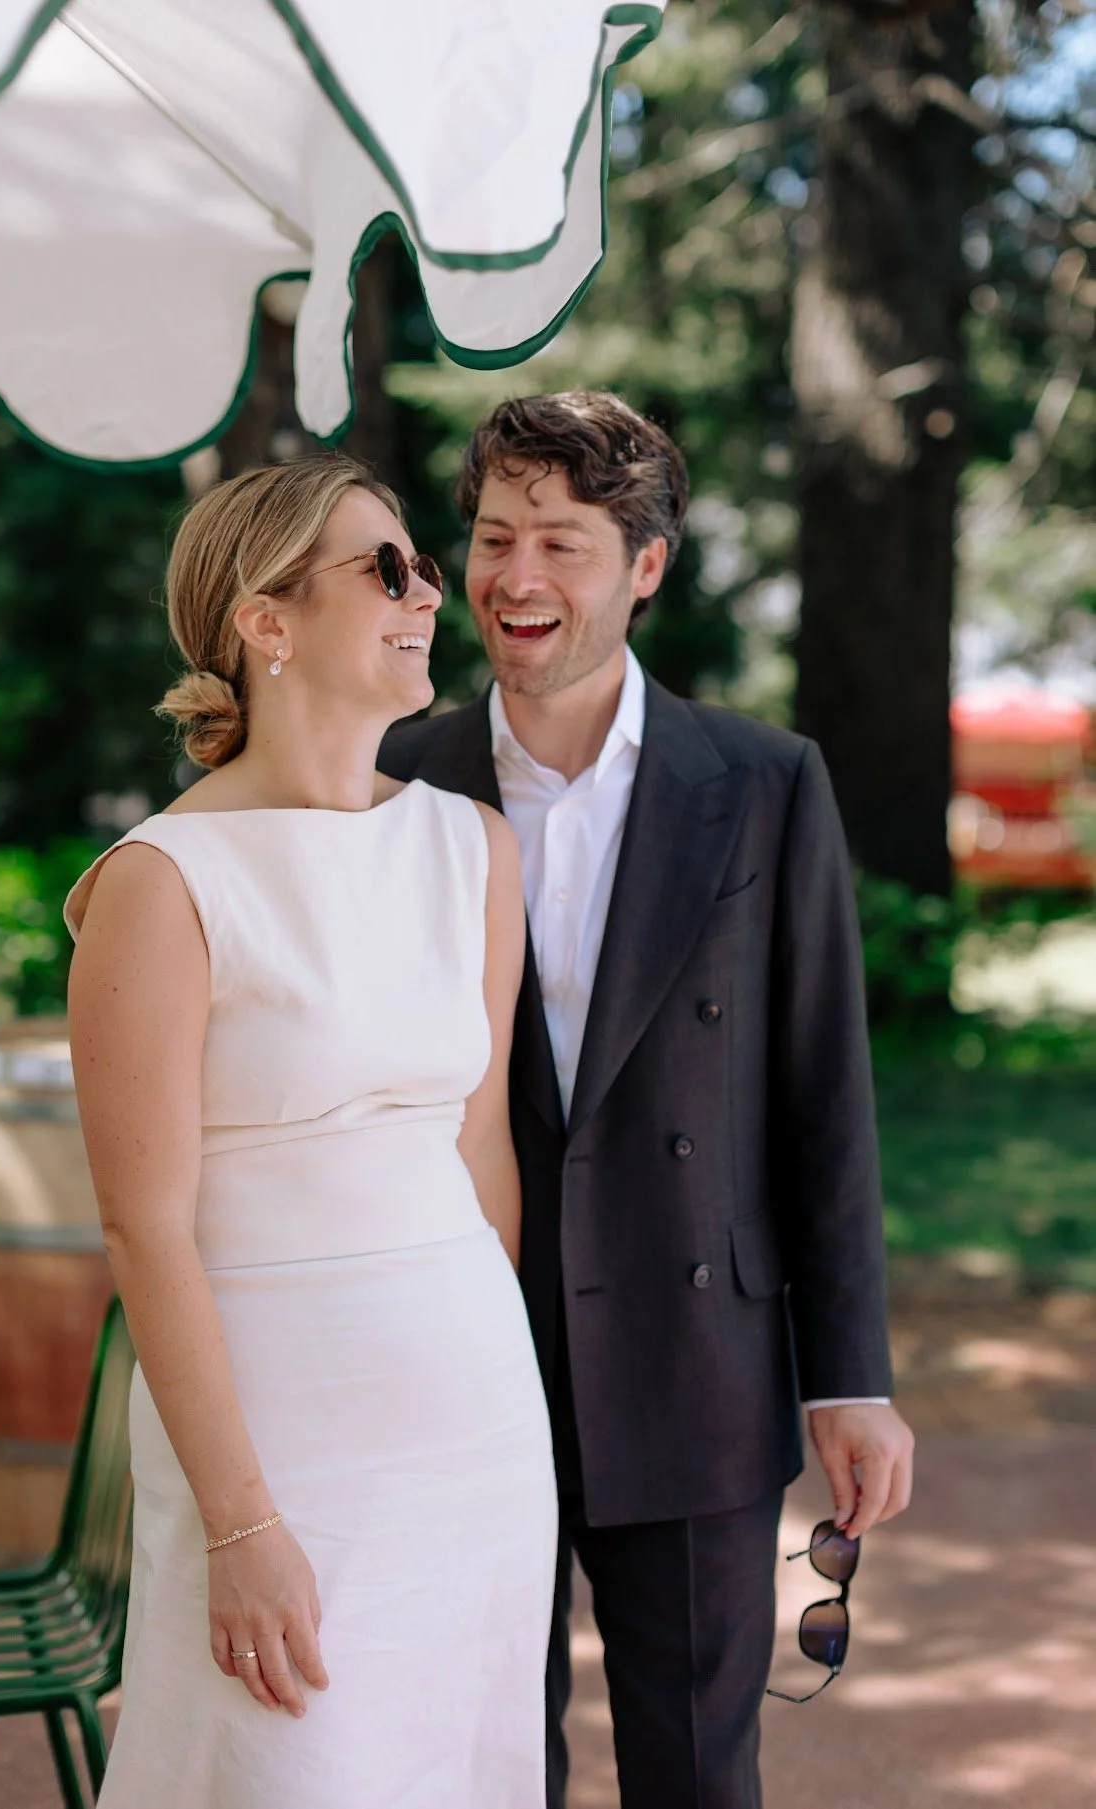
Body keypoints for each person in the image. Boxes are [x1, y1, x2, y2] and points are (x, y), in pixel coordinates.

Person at [380, 390, 916, 1809]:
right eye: (494, 537)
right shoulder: (392, 782)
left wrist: (846, 1373)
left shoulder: (761, 783)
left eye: (559, 540)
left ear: (645, 565)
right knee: (483, 1757)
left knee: (693, 1767)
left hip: (697, 1355)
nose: (515, 578)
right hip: (461, 1345)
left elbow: (821, 1095)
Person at [64, 455, 557, 1809]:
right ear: (264, 622)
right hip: (280, 1446)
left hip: (474, 1429)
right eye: (382, 567)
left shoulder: (473, 850)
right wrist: (241, 1524)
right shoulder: (160, 884)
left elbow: (481, 1150)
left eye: (421, 563)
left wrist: (492, 1374)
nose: (426, 591)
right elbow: (141, 1226)